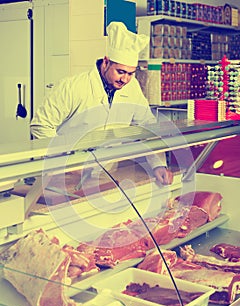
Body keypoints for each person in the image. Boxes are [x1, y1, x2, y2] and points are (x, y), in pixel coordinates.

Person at [31, 22, 173, 185]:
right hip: (65, 174)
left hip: (106, 173)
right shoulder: (73, 86)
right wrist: (66, 161)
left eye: (130, 73)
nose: (125, 79)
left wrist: (158, 164)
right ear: (106, 62)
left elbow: (147, 127)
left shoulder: (132, 87)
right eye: (120, 72)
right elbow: (41, 125)